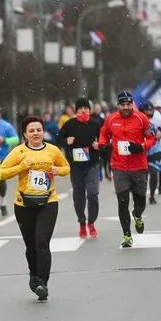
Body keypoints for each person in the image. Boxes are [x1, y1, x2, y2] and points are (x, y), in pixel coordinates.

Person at [0, 116, 69, 301]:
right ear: (24, 134)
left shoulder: (52, 150)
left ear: (43, 131)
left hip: (48, 202)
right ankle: (33, 275)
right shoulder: (19, 151)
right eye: (31, 131)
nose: (36, 133)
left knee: (42, 242)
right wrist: (21, 167)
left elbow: (66, 167)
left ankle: (43, 282)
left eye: (38, 130)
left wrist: (58, 171)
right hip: (24, 204)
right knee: (31, 245)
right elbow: (1, 172)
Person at [97, 92, 157, 247]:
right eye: (122, 105)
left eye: (128, 104)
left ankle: (137, 215)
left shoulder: (141, 118)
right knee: (122, 201)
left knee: (140, 202)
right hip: (119, 167)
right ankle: (127, 235)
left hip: (139, 166)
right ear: (118, 105)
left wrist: (141, 147)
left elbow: (152, 138)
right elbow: (104, 134)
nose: (125, 107)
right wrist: (103, 145)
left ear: (132, 104)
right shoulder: (111, 119)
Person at [55, 98, 103, 239]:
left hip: (92, 164)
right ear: (76, 111)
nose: (83, 110)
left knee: (93, 194)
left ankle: (91, 223)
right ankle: (82, 223)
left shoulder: (95, 124)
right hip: (76, 166)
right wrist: (66, 141)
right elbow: (58, 140)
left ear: (89, 110)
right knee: (79, 196)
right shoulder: (69, 124)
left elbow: (105, 141)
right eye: (80, 108)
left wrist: (99, 145)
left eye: (85, 108)